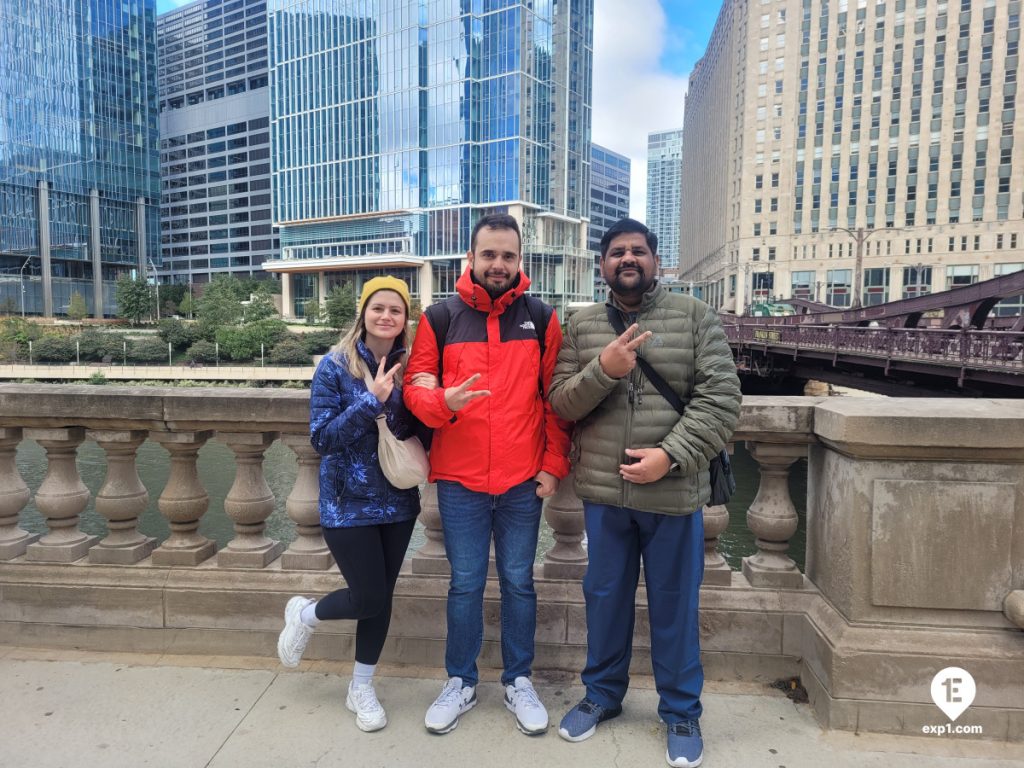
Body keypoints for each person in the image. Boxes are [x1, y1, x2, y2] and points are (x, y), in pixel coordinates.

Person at [548, 218, 741, 767]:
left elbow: (721, 401)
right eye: (616, 253)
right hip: (605, 495)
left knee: (675, 605)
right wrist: (605, 370)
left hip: (674, 495)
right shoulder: (581, 324)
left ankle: (681, 711)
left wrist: (670, 455)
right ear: (602, 265)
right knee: (604, 600)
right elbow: (561, 402)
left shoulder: (696, 317)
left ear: (656, 261)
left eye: (637, 251)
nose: (626, 259)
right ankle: (602, 696)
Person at [403, 212, 572, 736]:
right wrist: (442, 402)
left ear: (520, 261)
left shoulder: (542, 318)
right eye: (489, 254)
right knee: (466, 584)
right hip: (459, 480)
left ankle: (518, 680)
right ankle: (461, 681)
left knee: (520, 583)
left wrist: (551, 466)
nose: (498, 264)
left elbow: (555, 403)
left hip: (523, 481)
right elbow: (414, 388)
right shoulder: (439, 318)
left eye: (508, 255)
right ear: (470, 259)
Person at [277, 276, 422, 734]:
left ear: (405, 320)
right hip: (346, 502)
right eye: (378, 308)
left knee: (381, 601)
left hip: (398, 500)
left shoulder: (414, 366)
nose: (386, 316)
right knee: (368, 595)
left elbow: (423, 427)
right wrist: (370, 400)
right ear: (364, 313)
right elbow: (322, 439)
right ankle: (304, 614)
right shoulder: (333, 367)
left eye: (395, 310)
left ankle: (361, 686)